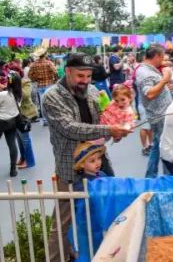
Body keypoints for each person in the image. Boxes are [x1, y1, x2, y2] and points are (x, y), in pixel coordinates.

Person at [43, 52, 132, 261]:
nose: (85, 81)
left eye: (88, 76)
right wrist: (108, 129)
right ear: (68, 71)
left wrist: (117, 130)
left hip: (100, 164)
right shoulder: (52, 96)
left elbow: (103, 121)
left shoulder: (93, 91)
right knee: (62, 224)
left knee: (109, 212)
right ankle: (57, 258)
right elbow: (70, 128)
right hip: (70, 169)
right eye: (80, 76)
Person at [135, 45, 173, 178]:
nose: (163, 61)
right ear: (156, 56)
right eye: (162, 57)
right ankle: (168, 176)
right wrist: (164, 80)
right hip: (160, 115)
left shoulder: (148, 70)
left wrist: (165, 86)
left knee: (158, 146)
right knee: (165, 146)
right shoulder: (144, 72)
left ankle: (152, 175)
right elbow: (149, 94)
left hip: (161, 113)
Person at [28, 47, 58, 126]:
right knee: (51, 101)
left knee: (42, 102)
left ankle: (45, 120)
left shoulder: (34, 64)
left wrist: (35, 79)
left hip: (40, 85)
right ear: (45, 54)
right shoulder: (49, 63)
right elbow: (55, 72)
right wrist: (55, 80)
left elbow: (30, 75)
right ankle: (52, 118)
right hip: (50, 84)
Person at [0, 72, 22, 177]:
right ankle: (13, 170)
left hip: (1, 121)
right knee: (12, 144)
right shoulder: (18, 95)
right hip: (13, 122)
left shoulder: (3, 94)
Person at [16, 72, 38, 169]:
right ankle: (23, 158)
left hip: (25, 114)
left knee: (25, 138)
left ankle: (30, 161)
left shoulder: (25, 82)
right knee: (19, 138)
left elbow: (25, 95)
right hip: (15, 113)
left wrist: (15, 86)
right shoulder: (9, 83)